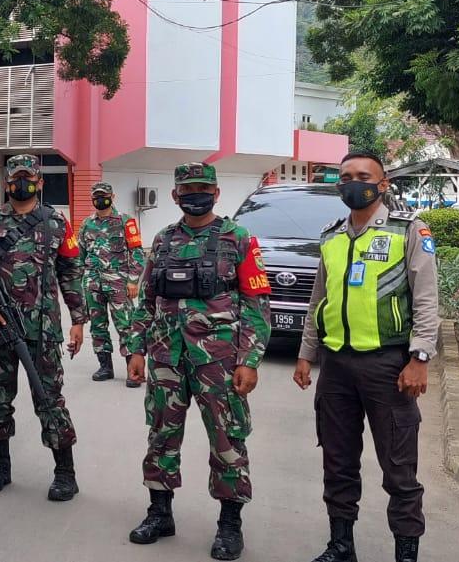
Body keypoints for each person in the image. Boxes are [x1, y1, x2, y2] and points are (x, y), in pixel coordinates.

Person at [293, 152, 437, 562]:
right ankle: (341, 546)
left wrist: (419, 357)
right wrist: (306, 354)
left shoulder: (408, 231)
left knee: (399, 469)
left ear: (384, 183)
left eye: (363, 176)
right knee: (337, 462)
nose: (353, 183)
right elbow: (318, 298)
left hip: (388, 366)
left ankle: (406, 553)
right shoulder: (331, 234)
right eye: (345, 177)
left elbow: (426, 299)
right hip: (336, 366)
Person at [126, 162, 271, 561]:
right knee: (161, 435)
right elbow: (147, 300)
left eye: (203, 187)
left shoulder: (237, 238)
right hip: (165, 357)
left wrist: (250, 359)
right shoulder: (162, 240)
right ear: (175, 196)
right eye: (187, 189)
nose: (195, 194)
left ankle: (229, 525)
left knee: (226, 439)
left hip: (219, 361)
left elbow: (257, 305)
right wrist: (136, 349)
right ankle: (159, 513)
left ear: (217, 193)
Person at [0, 154, 88, 502]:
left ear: (40, 183)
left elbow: (71, 272)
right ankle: (0, 467)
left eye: (29, 177)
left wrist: (79, 321)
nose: (22, 183)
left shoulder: (57, 223)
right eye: (16, 178)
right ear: (7, 182)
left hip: (42, 332)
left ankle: (64, 473)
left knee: (50, 401)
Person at [77, 181, 146, 386]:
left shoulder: (125, 221)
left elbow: (138, 253)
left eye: (104, 195)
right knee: (98, 327)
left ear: (112, 197)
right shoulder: (86, 224)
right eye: (96, 196)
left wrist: (133, 281)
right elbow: (80, 256)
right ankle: (105, 366)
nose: (100, 199)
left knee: (126, 325)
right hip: (92, 283)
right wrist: (81, 281)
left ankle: (132, 369)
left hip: (118, 283)